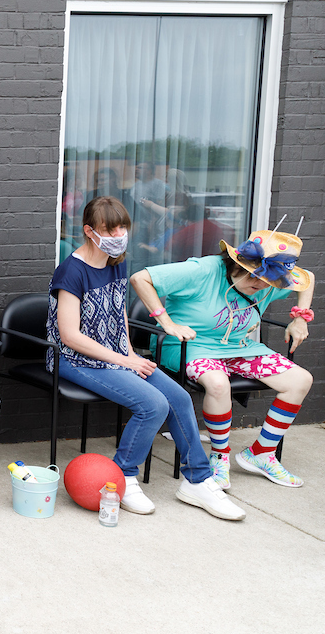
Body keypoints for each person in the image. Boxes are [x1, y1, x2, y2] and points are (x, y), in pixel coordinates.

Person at [48, 196, 244, 520]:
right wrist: (125, 361)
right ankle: (123, 475)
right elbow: (69, 336)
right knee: (153, 405)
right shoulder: (70, 272)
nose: (118, 235)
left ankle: (198, 479)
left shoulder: (117, 262)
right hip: (74, 359)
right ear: (89, 231)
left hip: (115, 354)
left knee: (179, 398)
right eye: (110, 230)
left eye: (122, 228)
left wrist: (127, 350)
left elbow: (118, 311)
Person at [132, 224, 315, 488]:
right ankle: (219, 458)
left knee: (301, 380)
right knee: (218, 383)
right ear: (237, 263)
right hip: (189, 345)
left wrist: (300, 318)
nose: (261, 286)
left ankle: (262, 453)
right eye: (254, 278)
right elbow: (140, 278)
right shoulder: (203, 270)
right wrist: (167, 323)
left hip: (239, 347)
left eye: (268, 281)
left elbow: (307, 278)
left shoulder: (267, 281)